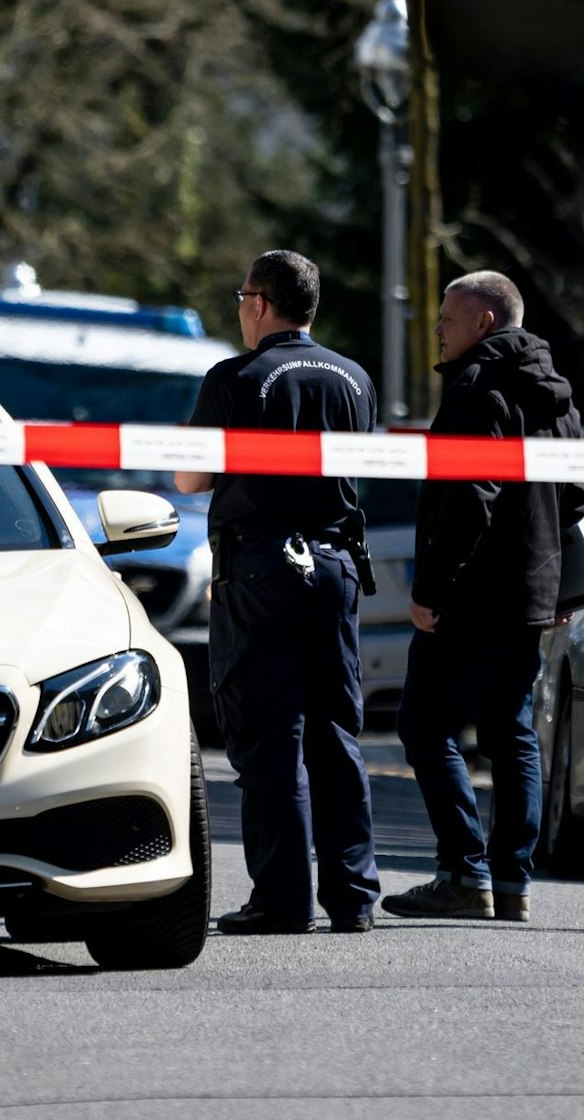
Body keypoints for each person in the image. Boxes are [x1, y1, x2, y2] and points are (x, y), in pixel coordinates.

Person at [174, 250, 382, 934]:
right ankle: (354, 897)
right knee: (334, 734)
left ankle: (282, 899)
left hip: (260, 567)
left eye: (241, 296)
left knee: (270, 736)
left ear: (261, 302)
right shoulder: (354, 378)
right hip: (334, 567)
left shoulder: (236, 377)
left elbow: (191, 480)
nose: (239, 308)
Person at [381, 272, 584, 924]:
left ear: (485, 323)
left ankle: (466, 873)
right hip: (531, 594)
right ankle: (513, 883)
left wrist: (430, 588)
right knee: (511, 731)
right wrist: (559, 584)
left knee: (423, 723)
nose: (437, 329)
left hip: (473, 593)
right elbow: (580, 494)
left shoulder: (478, 387)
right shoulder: (557, 395)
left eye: (448, 317)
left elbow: (472, 493)